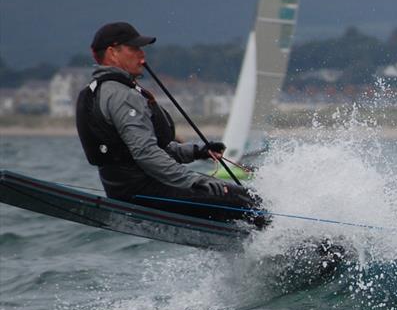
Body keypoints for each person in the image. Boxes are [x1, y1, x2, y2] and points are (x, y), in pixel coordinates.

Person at [76, 21, 265, 225]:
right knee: (249, 199)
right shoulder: (121, 95)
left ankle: (258, 239)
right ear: (113, 53)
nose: (142, 54)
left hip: (125, 191)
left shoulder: (95, 91)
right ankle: (285, 245)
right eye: (134, 48)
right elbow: (146, 153)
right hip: (147, 192)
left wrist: (196, 152)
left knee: (233, 198)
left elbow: (140, 150)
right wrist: (195, 181)